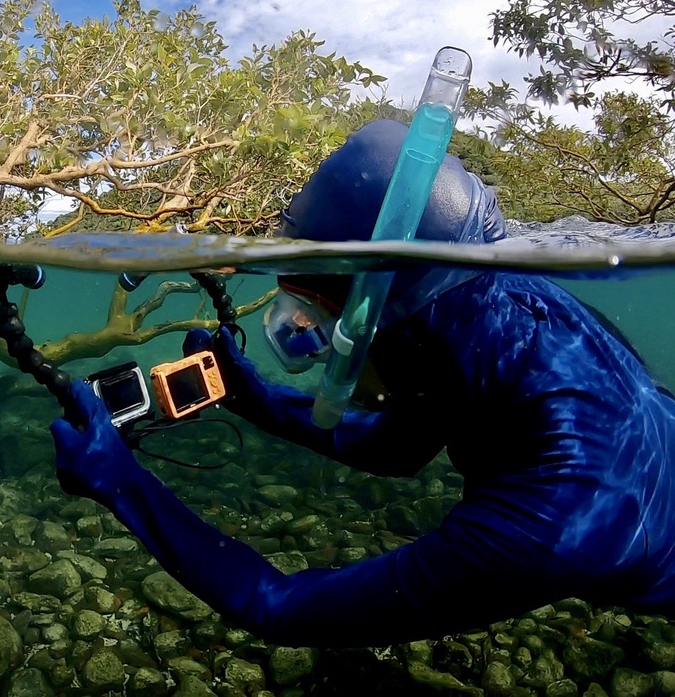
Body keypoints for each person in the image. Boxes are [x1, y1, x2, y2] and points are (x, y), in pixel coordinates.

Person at [49, 119, 675, 648]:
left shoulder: (555, 516)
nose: (312, 350)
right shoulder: (496, 317)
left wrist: (122, 484)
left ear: (383, 319)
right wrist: (255, 399)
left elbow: (283, 607)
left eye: (319, 324)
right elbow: (397, 449)